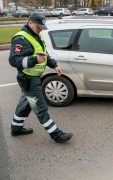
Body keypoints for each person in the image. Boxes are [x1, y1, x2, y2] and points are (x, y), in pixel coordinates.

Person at [8, 12, 73, 143]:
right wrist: (34, 60)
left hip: (34, 78)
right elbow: (13, 60)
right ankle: (57, 135)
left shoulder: (36, 35)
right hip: (28, 79)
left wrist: (54, 65)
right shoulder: (20, 39)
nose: (40, 29)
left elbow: (44, 54)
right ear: (30, 22)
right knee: (40, 108)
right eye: (38, 27)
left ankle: (16, 128)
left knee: (25, 104)